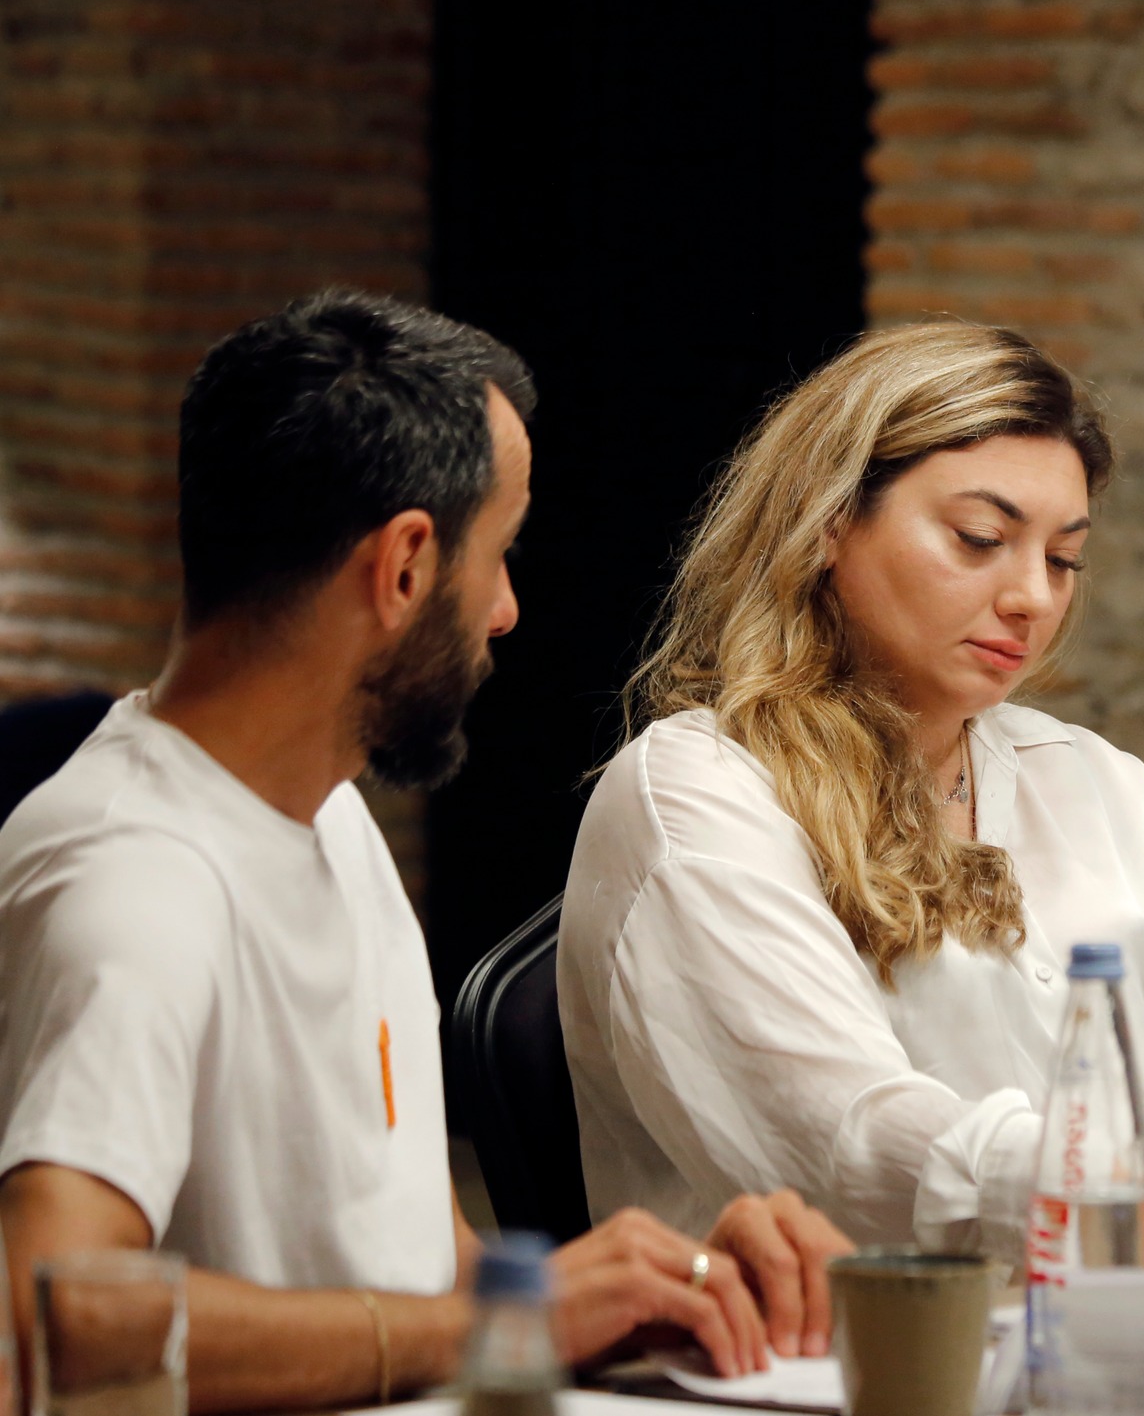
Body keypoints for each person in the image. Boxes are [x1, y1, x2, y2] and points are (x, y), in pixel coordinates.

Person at [0, 290, 852, 1414]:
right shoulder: (136, 882)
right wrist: (492, 1323)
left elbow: (416, 1273)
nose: (505, 610)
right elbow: (57, 1313)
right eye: (498, 554)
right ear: (404, 566)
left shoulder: (326, 813)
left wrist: (633, 1291)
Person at [559, 322, 1144, 1264]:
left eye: (1062, 558)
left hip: (1133, 1312)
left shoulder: (1099, 782)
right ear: (829, 520)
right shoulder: (701, 792)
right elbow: (853, 1158)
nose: (1033, 597)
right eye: (981, 539)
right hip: (846, 1342)